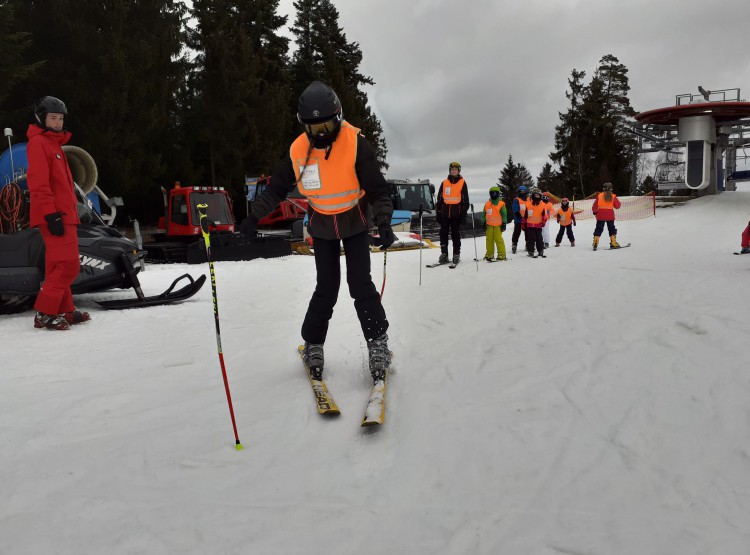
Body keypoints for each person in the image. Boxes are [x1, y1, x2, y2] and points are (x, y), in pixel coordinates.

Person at [241, 81, 395, 383]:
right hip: (323, 224)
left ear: (338, 118)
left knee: (360, 283)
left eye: (326, 125)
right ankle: (313, 343)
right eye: (314, 128)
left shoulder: (355, 143)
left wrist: (385, 222)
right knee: (326, 287)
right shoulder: (298, 150)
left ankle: (378, 343)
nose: (321, 133)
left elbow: (378, 190)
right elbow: (276, 189)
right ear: (304, 126)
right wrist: (254, 217)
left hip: (353, 221)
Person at [26, 96, 90, 330]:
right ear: (41, 119)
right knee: (68, 265)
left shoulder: (54, 145)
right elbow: (39, 184)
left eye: (61, 118)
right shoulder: (39, 143)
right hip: (54, 216)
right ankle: (44, 313)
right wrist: (50, 214)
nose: (58, 123)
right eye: (53, 118)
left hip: (65, 214)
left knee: (57, 266)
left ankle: (64, 309)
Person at [435, 161, 469, 265]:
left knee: (455, 234)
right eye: (452, 169)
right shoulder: (444, 182)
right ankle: (444, 254)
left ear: (458, 171)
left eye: (455, 169)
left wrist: (463, 215)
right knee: (443, 234)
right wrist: (438, 212)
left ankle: (456, 254)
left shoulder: (462, 182)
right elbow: (440, 198)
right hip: (445, 214)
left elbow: (465, 200)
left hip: (456, 214)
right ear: (450, 171)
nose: (454, 171)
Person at [592, 182, 622, 250]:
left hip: (600, 215)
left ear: (603, 189)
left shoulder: (599, 196)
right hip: (610, 216)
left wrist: (594, 212)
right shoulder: (613, 196)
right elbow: (617, 206)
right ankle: (613, 242)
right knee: (611, 228)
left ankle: (595, 242)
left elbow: (595, 206)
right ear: (611, 189)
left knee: (599, 229)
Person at [481, 186, 507, 261]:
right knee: (489, 240)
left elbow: (504, 214)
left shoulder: (501, 204)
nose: (493, 194)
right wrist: (483, 222)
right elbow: (484, 214)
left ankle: (502, 255)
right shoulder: (487, 204)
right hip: (489, 225)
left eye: (495, 193)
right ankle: (489, 255)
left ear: (498, 194)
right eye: (492, 193)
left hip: (498, 226)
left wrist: (504, 223)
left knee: (499, 240)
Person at [520, 186, 547, 258]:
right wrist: (523, 223)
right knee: (531, 239)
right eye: (535, 195)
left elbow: (544, 215)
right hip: (530, 225)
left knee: (539, 239)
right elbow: (525, 216)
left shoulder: (542, 205)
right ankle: (531, 252)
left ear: (540, 196)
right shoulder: (528, 205)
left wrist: (544, 221)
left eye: (538, 195)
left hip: (538, 225)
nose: (537, 196)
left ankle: (540, 251)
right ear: (533, 195)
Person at [510, 185, 528, 254]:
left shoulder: (528, 199)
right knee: (517, 233)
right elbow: (515, 210)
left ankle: (528, 245)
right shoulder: (516, 200)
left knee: (528, 233)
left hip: (527, 220)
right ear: (519, 192)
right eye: (521, 191)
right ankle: (514, 245)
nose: (523, 192)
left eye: (524, 191)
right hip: (518, 220)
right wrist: (520, 217)